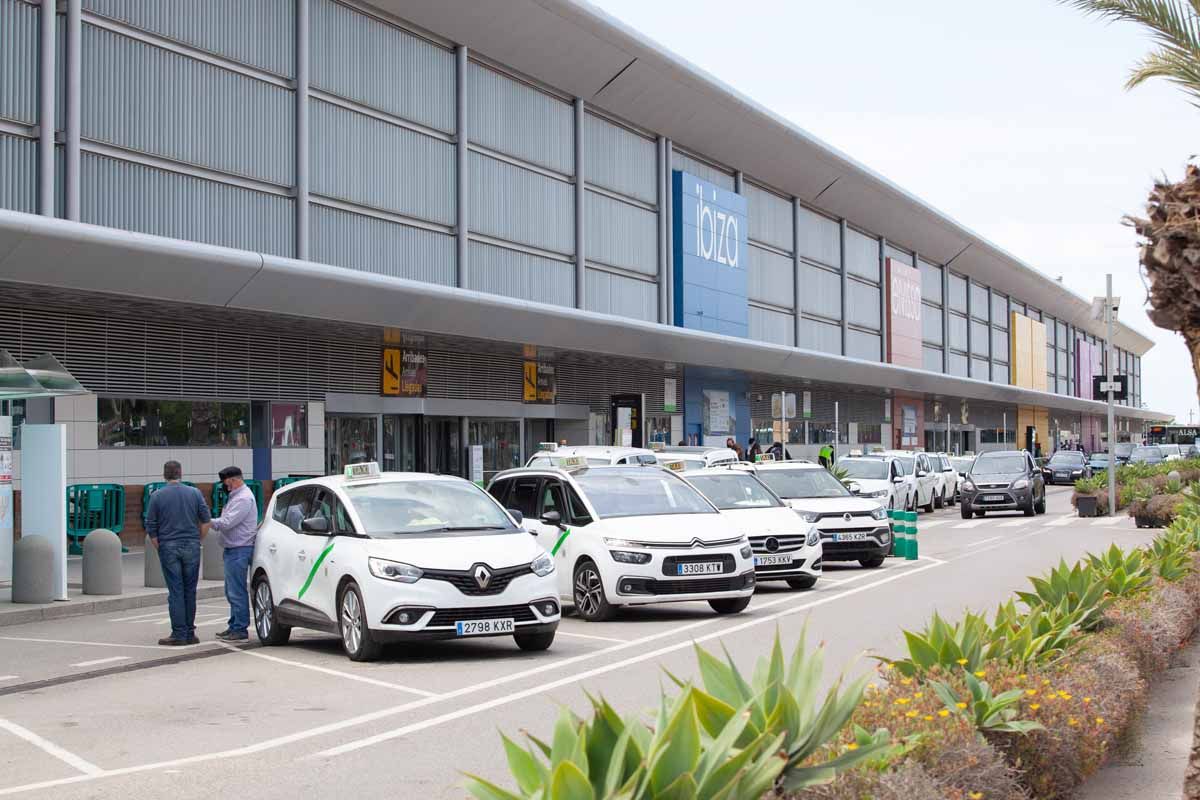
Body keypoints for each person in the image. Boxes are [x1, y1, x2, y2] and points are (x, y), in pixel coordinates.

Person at [144, 461, 211, 646]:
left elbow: (151, 526)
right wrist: (198, 539)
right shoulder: (194, 493)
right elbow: (206, 521)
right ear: (181, 473)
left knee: (176, 591)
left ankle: (179, 633)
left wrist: (160, 545)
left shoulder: (157, 496)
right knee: (190, 590)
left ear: (164, 475)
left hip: (169, 545)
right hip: (191, 544)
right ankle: (190, 632)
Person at [208, 466, 259, 642]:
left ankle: (240, 629)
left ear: (233, 480)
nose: (225, 487)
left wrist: (207, 521)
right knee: (231, 591)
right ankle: (234, 625)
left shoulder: (243, 499)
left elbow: (228, 523)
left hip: (240, 548)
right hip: (233, 549)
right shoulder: (236, 496)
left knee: (236, 591)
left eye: (226, 483)